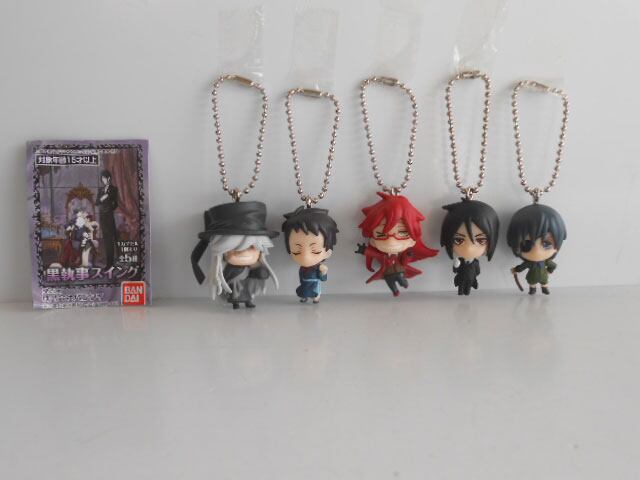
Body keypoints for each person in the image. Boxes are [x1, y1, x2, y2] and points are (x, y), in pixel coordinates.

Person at [282, 206, 338, 303]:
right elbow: (301, 277)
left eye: (315, 251)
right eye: (296, 251)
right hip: (304, 284)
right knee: (303, 291)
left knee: (315, 292)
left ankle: (316, 298)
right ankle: (305, 297)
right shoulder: (302, 268)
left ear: (327, 253)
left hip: (314, 284)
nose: (305, 257)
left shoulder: (318, 267)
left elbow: (323, 279)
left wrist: (323, 272)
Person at [96, 170, 119, 268]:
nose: (103, 180)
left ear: (109, 178)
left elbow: (116, 204)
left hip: (109, 217)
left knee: (110, 240)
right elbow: (97, 202)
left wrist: (110, 208)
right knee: (106, 240)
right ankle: (109, 263)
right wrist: (103, 197)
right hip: (102, 217)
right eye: (102, 178)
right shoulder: (100, 189)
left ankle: (110, 263)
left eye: (104, 178)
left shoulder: (114, 189)